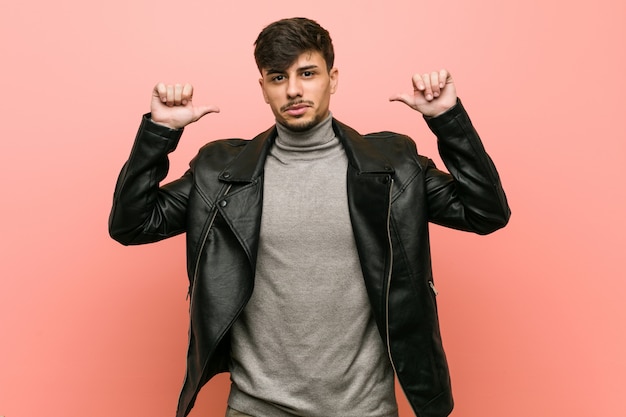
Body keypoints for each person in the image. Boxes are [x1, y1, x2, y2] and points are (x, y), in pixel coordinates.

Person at [109, 17, 510, 417]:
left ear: (332, 78)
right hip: (256, 408)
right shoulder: (221, 173)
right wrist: (160, 132)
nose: (294, 89)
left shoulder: (394, 167)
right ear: (263, 88)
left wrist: (446, 119)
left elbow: (485, 212)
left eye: (307, 73)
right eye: (278, 77)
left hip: (365, 409)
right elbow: (133, 224)